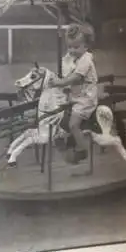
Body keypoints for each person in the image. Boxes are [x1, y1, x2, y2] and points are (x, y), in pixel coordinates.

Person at [48, 23, 98, 159]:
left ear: (86, 47)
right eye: (69, 47)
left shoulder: (86, 59)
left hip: (85, 99)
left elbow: (76, 78)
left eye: (76, 47)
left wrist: (60, 82)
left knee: (73, 124)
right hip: (74, 96)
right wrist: (57, 79)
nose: (72, 50)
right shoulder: (72, 58)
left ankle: (83, 150)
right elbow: (65, 71)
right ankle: (65, 138)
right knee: (58, 114)